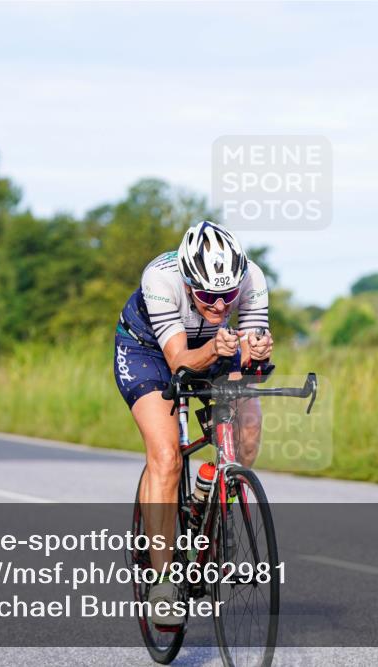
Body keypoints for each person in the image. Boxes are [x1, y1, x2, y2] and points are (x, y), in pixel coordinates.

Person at [113, 220, 272, 626]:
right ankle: (164, 580)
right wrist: (216, 349)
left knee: (248, 426)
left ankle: (213, 488)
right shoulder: (160, 279)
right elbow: (180, 362)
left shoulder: (252, 277)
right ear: (187, 283)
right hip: (149, 351)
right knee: (166, 456)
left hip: (216, 348)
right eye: (207, 296)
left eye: (228, 296)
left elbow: (249, 361)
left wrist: (256, 351)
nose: (221, 306)